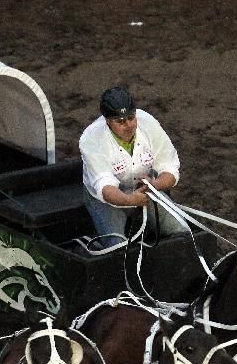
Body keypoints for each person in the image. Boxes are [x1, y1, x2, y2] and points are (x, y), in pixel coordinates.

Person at [79, 86, 185, 249]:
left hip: (146, 190)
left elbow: (170, 168)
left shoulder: (149, 123)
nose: (128, 125)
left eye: (131, 118)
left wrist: (155, 185)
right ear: (107, 121)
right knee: (117, 248)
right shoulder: (91, 139)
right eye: (120, 121)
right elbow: (106, 189)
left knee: (182, 230)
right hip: (106, 201)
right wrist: (129, 200)